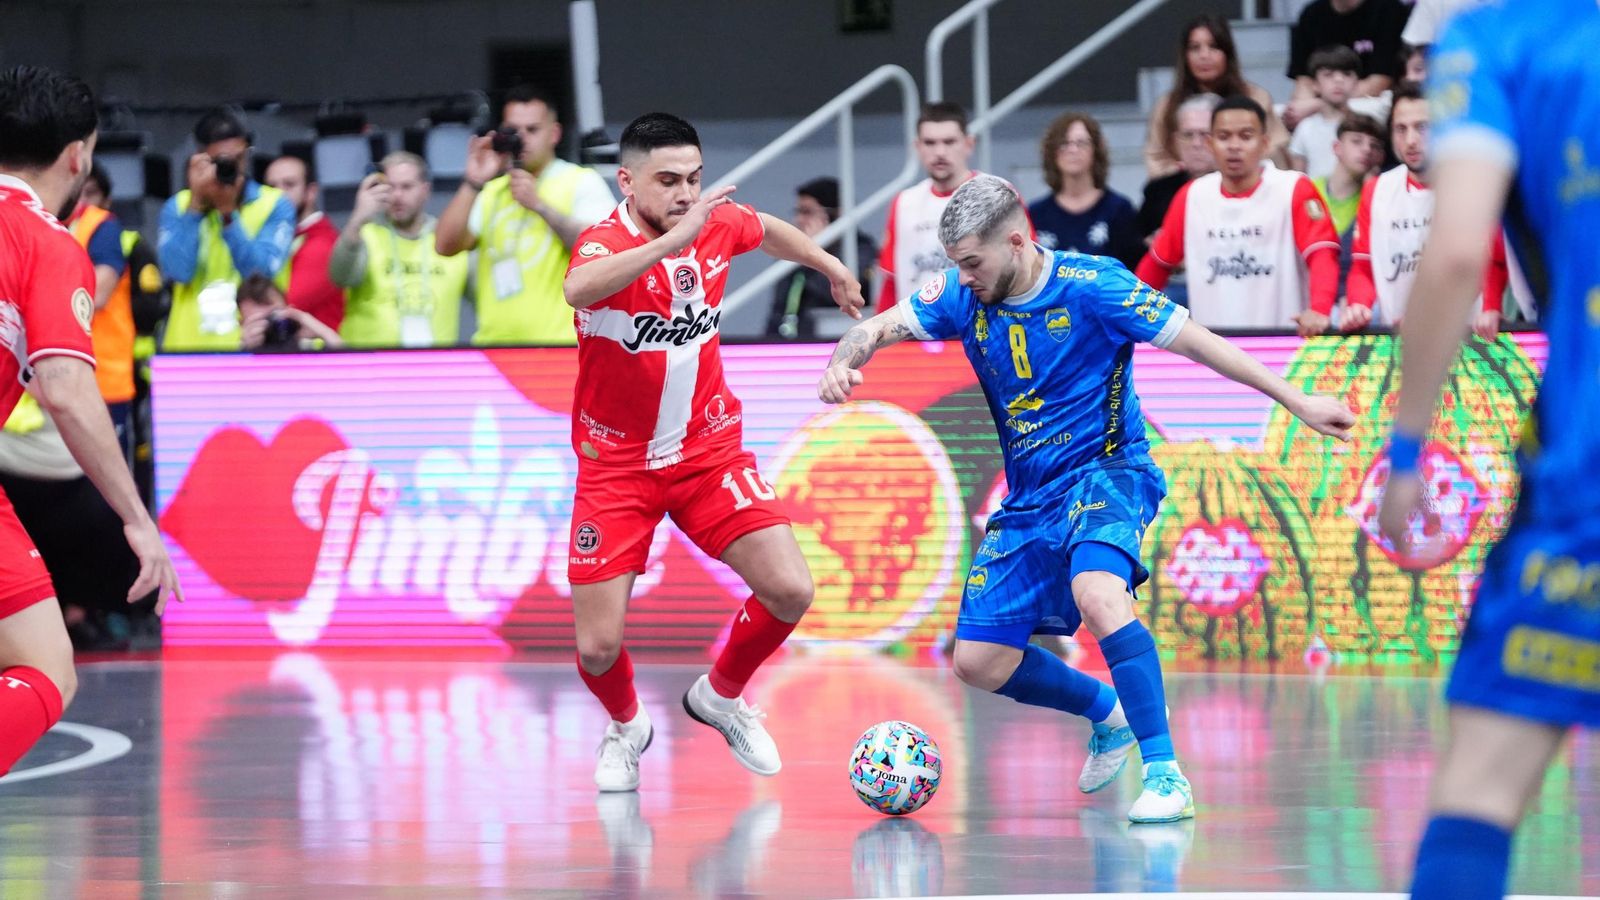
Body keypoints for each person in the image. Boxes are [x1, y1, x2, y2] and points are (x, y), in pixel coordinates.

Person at [817, 174, 1354, 823]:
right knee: (978, 662)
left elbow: (1200, 343)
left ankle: (1166, 775)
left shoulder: (1095, 285)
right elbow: (876, 328)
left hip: (1109, 471)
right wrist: (844, 361)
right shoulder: (963, 294)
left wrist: (1295, 400)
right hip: (1030, 495)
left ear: (1017, 242)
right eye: (956, 264)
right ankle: (1110, 714)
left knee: (1098, 593)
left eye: (973, 263)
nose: (963, 278)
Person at [561, 113, 866, 792]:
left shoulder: (712, 220)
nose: (685, 193)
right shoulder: (603, 244)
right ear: (627, 182)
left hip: (708, 453)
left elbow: (766, 228)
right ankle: (626, 726)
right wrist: (676, 239)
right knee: (597, 647)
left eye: (694, 179)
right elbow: (578, 289)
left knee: (790, 588)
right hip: (617, 467)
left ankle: (721, 697)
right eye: (668, 181)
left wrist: (830, 264)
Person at [1376, 6, 1600, 899]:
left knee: (1480, 790)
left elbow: (1457, 253)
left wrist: (1405, 452)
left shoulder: (1497, 42)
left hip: (1586, 468)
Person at [0, 64, 182, 775]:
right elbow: (68, 390)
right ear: (77, 156)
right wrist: (136, 518)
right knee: (46, 669)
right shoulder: (44, 242)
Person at [1136, 96, 1341, 336]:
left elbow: (1322, 253)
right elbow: (1158, 263)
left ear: (1264, 143)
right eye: (1224, 137)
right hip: (1212, 349)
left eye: (1245, 136)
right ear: (1210, 143)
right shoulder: (1192, 195)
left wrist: (1319, 309)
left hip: (1282, 343)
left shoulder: (1294, 187)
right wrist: (1131, 313)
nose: (1234, 146)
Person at [435, 85, 615, 345]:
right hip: (493, 346)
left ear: (554, 134)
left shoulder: (580, 181)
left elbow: (604, 251)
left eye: (532, 130)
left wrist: (540, 207)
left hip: (561, 344)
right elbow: (445, 246)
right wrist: (473, 181)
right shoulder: (492, 190)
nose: (522, 139)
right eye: (513, 130)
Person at [1344, 82, 1502, 336]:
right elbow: (1363, 267)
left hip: (1469, 340)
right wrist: (1359, 305)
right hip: (1398, 342)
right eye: (1401, 129)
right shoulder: (1377, 190)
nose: (1410, 141)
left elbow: (1489, 264)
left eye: (1422, 127)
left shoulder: (1472, 183)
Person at [157, 107, 295, 351]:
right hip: (188, 348)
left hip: (252, 343)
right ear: (200, 159)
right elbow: (178, 273)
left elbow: (261, 274)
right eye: (221, 160)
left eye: (239, 158)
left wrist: (228, 216)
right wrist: (195, 206)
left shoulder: (274, 204)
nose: (233, 167)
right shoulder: (178, 206)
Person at [331, 152, 468, 348]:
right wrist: (357, 220)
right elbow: (340, 277)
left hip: (434, 362)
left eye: (406, 187)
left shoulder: (448, 239)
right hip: (370, 361)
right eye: (391, 187)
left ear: (425, 190)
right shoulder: (365, 235)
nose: (397, 196)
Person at [1144, 15, 1288, 180]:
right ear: (1185, 56)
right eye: (1195, 48)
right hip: (1184, 186)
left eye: (1213, 47)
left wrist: (1227, 169)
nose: (1204, 55)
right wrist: (1187, 171)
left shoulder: (1256, 98)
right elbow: (1155, 159)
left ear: (1227, 54)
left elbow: (1275, 152)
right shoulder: (1167, 105)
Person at [61, 166, 137, 463]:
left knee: (105, 476)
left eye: (90, 192)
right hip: (52, 381)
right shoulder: (40, 224)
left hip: (103, 378)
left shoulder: (101, 226)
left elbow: (98, 295)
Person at [876, 102, 979, 312]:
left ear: (968, 144)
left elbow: (1025, 267)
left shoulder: (998, 193)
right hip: (918, 326)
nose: (939, 152)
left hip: (981, 325)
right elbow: (892, 280)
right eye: (930, 143)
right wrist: (880, 329)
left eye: (949, 142)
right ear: (917, 146)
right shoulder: (904, 203)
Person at [765, 177, 877, 340]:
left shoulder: (861, 251)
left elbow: (834, 294)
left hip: (836, 341)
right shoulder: (793, 253)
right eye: (798, 212)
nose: (799, 220)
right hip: (792, 343)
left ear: (836, 214)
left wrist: (812, 252)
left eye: (807, 212)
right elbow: (778, 309)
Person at [1028, 112, 1143, 270]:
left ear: (1096, 150)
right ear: (1052, 152)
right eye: (1064, 143)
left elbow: (1134, 270)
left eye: (1081, 143)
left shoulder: (1119, 209)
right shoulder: (1036, 213)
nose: (1073, 149)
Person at [1283, 0, 1412, 130]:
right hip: (1322, 110)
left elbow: (1379, 83)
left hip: (1372, 112)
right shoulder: (1311, 14)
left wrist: (1321, 105)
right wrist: (1298, 110)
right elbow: (1303, 80)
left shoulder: (1388, 10)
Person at [264, 153, 345, 332]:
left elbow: (280, 307)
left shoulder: (322, 244)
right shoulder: (284, 236)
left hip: (318, 348)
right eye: (271, 187)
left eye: (289, 184)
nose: (278, 194)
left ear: (311, 192)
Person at [1137, 93, 1219, 245]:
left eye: (1205, 134)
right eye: (1188, 135)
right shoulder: (1158, 191)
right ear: (1176, 142)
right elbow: (1139, 244)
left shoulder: (1239, 187)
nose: (1196, 144)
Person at [1289, 45, 1363, 178]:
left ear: (1357, 83)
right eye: (1328, 74)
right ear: (1315, 84)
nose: (1338, 80)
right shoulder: (1305, 128)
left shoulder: (1364, 126)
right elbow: (1297, 175)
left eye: (1347, 74)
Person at [1312, 115, 1386, 239]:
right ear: (1337, 148)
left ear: (1380, 157)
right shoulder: (1310, 190)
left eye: (1374, 145)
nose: (1367, 149)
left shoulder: (1378, 201)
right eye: (1356, 141)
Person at [236, 274, 344, 352]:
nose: (269, 325)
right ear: (242, 324)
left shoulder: (304, 346)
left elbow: (344, 361)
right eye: (259, 321)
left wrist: (315, 326)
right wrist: (245, 349)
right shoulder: (238, 362)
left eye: (273, 316)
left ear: (288, 309)